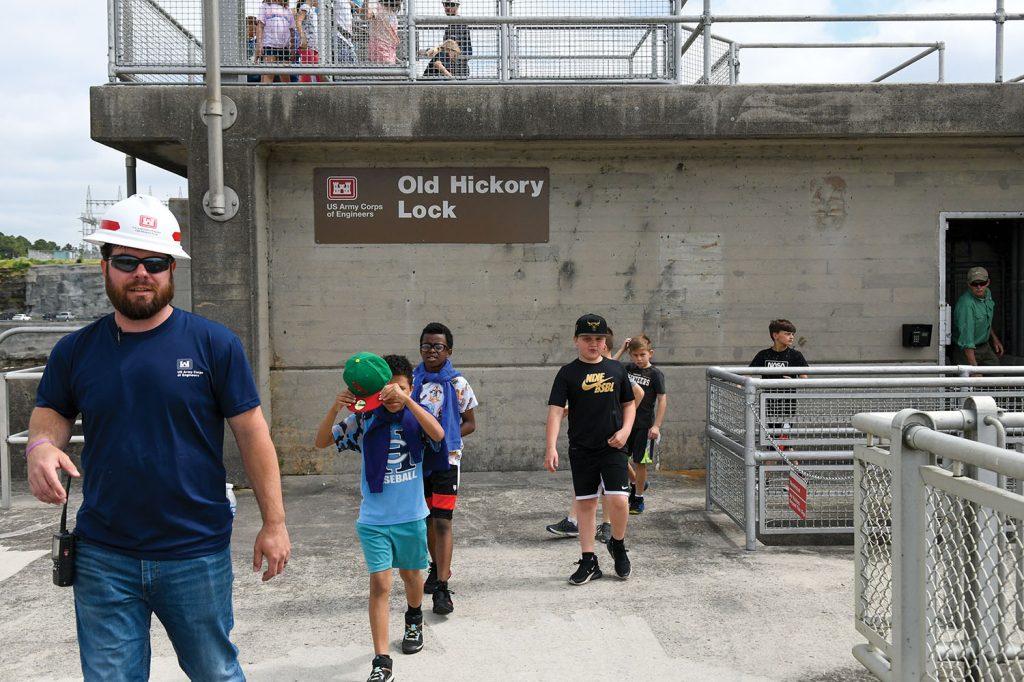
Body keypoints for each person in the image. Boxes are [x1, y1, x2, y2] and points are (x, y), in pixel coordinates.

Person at [26, 194, 291, 680]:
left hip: (195, 551)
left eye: (154, 262)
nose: (141, 273)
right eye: (126, 260)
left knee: (216, 673)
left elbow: (253, 434)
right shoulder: (75, 351)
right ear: (106, 265)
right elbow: (51, 412)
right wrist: (41, 446)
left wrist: (274, 522)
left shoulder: (214, 344)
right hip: (104, 554)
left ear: (172, 269)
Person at [314, 353, 445, 682]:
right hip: (373, 520)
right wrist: (336, 406)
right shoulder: (365, 420)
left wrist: (408, 402)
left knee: (413, 578)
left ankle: (414, 618)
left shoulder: (416, 418)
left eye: (399, 389)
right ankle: (382, 660)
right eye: (386, 390)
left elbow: (439, 434)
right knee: (381, 584)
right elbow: (321, 441)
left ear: (410, 388)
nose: (391, 396)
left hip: (412, 517)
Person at [545, 313, 636, 584]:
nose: (593, 343)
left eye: (598, 338)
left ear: (605, 340)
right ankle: (589, 561)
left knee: (619, 501)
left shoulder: (616, 369)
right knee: (586, 505)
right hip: (582, 450)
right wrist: (551, 447)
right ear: (576, 340)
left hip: (613, 447)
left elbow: (629, 404)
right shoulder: (567, 373)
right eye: (587, 338)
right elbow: (554, 413)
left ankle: (617, 545)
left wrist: (625, 431)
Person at [414, 322, 477, 616]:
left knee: (443, 521)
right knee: (426, 520)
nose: (431, 351)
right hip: (418, 461)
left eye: (437, 346)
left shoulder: (458, 384)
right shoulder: (413, 382)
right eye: (426, 345)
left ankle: (442, 586)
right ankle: (435, 565)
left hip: (447, 461)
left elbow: (470, 423)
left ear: (448, 351)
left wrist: (444, 436)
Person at [622, 335, 667, 515]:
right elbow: (608, 364)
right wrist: (621, 350)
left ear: (650, 353)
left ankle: (638, 497)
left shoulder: (655, 374)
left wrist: (656, 426)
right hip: (626, 423)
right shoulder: (627, 369)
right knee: (619, 458)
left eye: (642, 354)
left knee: (640, 462)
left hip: (644, 425)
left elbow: (662, 400)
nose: (639, 359)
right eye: (635, 355)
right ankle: (638, 481)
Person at [953, 265, 1004, 370]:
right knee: (970, 384)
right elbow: (967, 341)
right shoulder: (966, 305)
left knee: (997, 376)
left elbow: (985, 320)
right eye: (974, 284)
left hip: (985, 346)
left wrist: (995, 339)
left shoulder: (987, 293)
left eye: (982, 283)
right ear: (968, 284)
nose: (979, 287)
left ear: (988, 282)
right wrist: (974, 369)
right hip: (967, 350)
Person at [256, 0, 296, 83]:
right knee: (269, 73)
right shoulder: (265, 6)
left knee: (285, 74)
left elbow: (292, 30)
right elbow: (260, 26)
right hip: (269, 44)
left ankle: (287, 95)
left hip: (284, 46)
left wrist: (292, 47)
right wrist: (259, 45)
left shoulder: (287, 9)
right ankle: (265, 94)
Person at [297, 0, 328, 82]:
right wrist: (303, 37)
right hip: (307, 45)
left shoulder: (313, 9)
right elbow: (298, 22)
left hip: (314, 46)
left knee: (316, 69)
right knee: (308, 71)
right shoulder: (305, 7)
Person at [364, 0, 402, 65]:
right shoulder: (377, 6)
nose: (400, 1)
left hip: (390, 52)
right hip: (379, 51)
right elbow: (366, 16)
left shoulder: (392, 11)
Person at [441, 0, 472, 79]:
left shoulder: (460, 25)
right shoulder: (450, 26)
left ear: (457, 6)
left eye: (451, 4)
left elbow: (467, 52)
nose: (448, 7)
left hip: (459, 70)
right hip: (451, 70)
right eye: (446, 4)